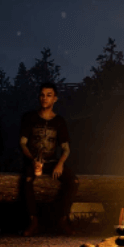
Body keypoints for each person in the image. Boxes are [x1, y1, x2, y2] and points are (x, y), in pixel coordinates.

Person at [19, 82, 79, 236]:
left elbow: (66, 148)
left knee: (73, 181)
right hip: (33, 161)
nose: (44, 98)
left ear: (55, 99)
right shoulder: (30, 118)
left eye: (49, 95)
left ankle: (63, 219)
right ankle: (33, 221)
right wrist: (33, 160)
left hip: (52, 162)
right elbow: (22, 143)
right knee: (27, 180)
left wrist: (60, 164)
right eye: (42, 95)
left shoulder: (59, 121)